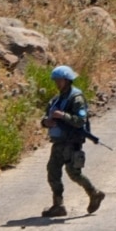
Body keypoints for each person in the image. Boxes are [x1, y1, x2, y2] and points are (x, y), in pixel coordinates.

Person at [40, 65, 105, 218]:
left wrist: (63, 116)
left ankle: (94, 193)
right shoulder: (56, 99)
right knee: (53, 172)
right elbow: (46, 117)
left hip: (71, 141)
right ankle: (58, 205)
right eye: (55, 80)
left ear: (67, 80)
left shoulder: (76, 98)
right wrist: (46, 122)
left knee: (74, 173)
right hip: (58, 142)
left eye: (59, 80)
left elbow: (80, 121)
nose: (57, 83)